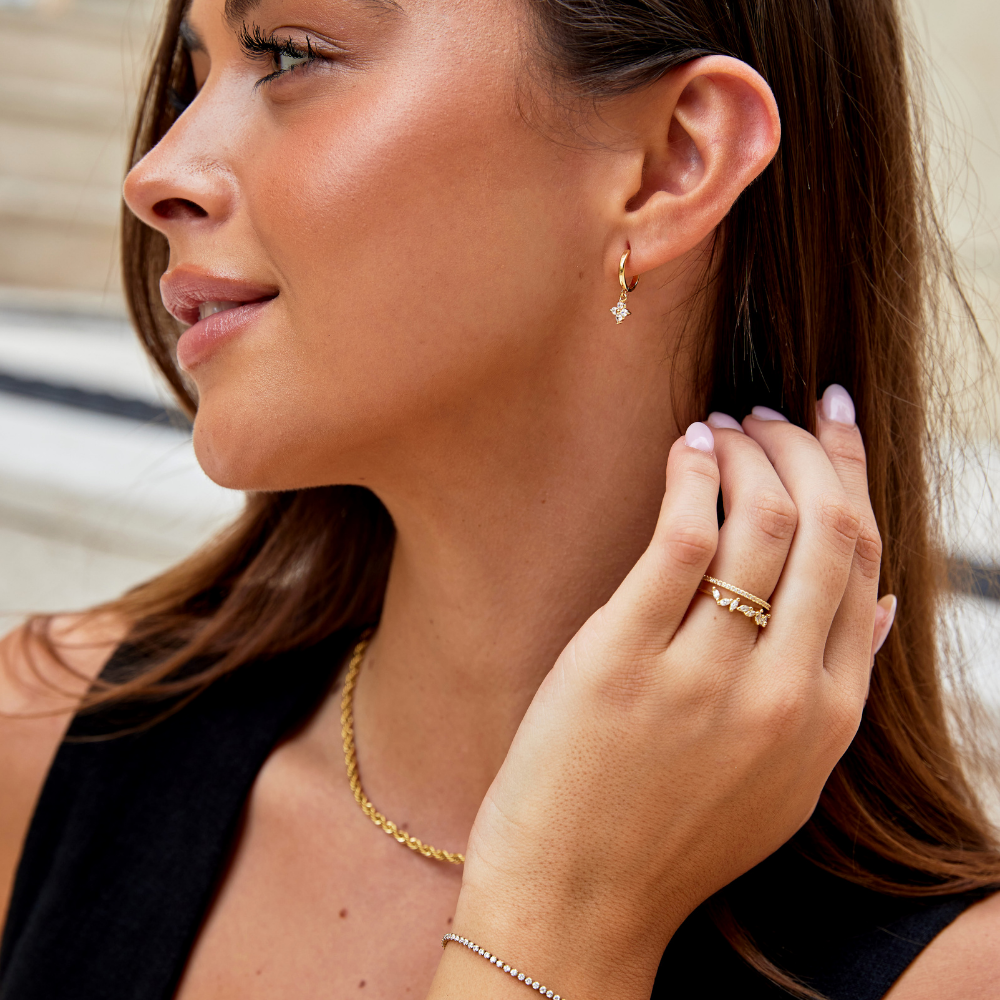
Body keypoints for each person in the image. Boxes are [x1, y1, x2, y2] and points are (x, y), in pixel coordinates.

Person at [1, 0, 999, 997]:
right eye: (192, 77)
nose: (155, 173)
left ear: (670, 164)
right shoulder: (38, 735)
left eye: (290, 56)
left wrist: (565, 918)